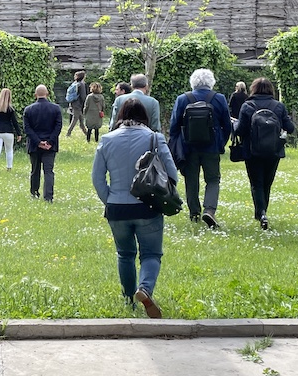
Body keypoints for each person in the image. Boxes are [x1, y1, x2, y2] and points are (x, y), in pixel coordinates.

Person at [91, 97, 178, 318]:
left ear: (120, 115)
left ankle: (129, 298)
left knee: (125, 254)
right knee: (150, 254)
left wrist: (109, 199)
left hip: (117, 207)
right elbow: (172, 174)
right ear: (145, 117)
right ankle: (145, 289)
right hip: (147, 206)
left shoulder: (107, 139)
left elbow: (97, 178)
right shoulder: (155, 139)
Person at [168, 68, 232, 228]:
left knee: (191, 180)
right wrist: (220, 143)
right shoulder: (219, 98)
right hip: (211, 147)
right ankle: (209, 210)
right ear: (211, 82)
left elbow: (174, 126)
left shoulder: (183, 99)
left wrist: (176, 147)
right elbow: (227, 125)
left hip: (188, 147)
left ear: (193, 82)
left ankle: (194, 213)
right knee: (213, 179)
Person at [235, 76, 296, 230]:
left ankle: (260, 213)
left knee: (256, 183)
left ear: (253, 89)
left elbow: (240, 130)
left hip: (252, 150)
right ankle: (263, 212)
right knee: (267, 183)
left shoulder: (247, 106)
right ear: (271, 89)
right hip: (273, 150)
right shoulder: (278, 106)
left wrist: (235, 125)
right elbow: (290, 127)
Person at [23, 84, 63, 202]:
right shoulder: (56, 109)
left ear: (35, 95)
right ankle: (48, 197)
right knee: (48, 171)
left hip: (34, 145)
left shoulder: (28, 110)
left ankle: (34, 192)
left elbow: (27, 129)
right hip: (50, 146)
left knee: (35, 170)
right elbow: (58, 126)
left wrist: (38, 142)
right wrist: (50, 141)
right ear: (47, 94)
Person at [65, 70, 87, 137]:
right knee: (75, 119)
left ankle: (85, 132)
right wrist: (85, 103)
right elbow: (83, 96)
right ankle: (68, 133)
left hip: (73, 103)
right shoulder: (81, 84)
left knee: (81, 118)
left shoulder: (74, 83)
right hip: (78, 104)